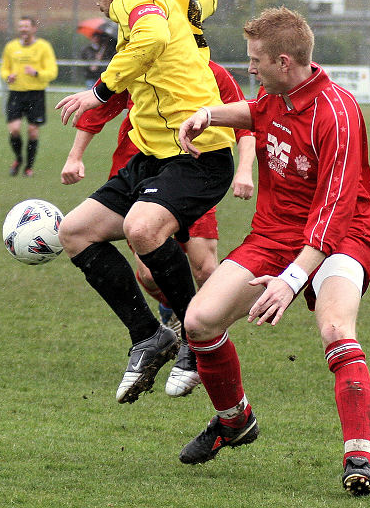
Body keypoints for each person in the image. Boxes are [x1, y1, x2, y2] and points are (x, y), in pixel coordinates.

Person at [177, 7, 370, 497]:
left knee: (335, 328)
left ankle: (359, 456)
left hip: (343, 235)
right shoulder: (277, 92)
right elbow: (256, 111)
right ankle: (234, 420)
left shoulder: (337, 111)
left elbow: (333, 210)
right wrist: (209, 115)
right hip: (274, 234)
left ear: (284, 61)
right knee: (199, 322)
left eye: (255, 60)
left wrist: (291, 281)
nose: (249, 68)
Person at [55, 0, 236, 405]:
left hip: (198, 154)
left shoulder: (137, 0)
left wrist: (97, 90)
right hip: (151, 157)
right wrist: (186, 0)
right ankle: (150, 336)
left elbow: (152, 37)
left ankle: (199, 337)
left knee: (142, 228)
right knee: (73, 232)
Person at [60, 62, 256, 396]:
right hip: (140, 171)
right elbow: (99, 106)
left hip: (191, 171)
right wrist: (75, 155)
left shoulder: (210, 72)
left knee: (205, 266)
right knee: (143, 270)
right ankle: (158, 331)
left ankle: (201, 337)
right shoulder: (136, 58)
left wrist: (244, 171)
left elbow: (246, 120)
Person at [0, 16, 58, 177]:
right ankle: (18, 158)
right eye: (21, 26)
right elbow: (4, 68)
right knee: (14, 130)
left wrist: (36, 73)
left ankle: (29, 167)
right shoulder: (11, 47)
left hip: (35, 94)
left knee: (33, 131)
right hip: (16, 94)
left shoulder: (43, 47)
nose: (23, 29)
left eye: (26, 26)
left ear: (34, 28)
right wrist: (7, 76)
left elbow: (52, 72)